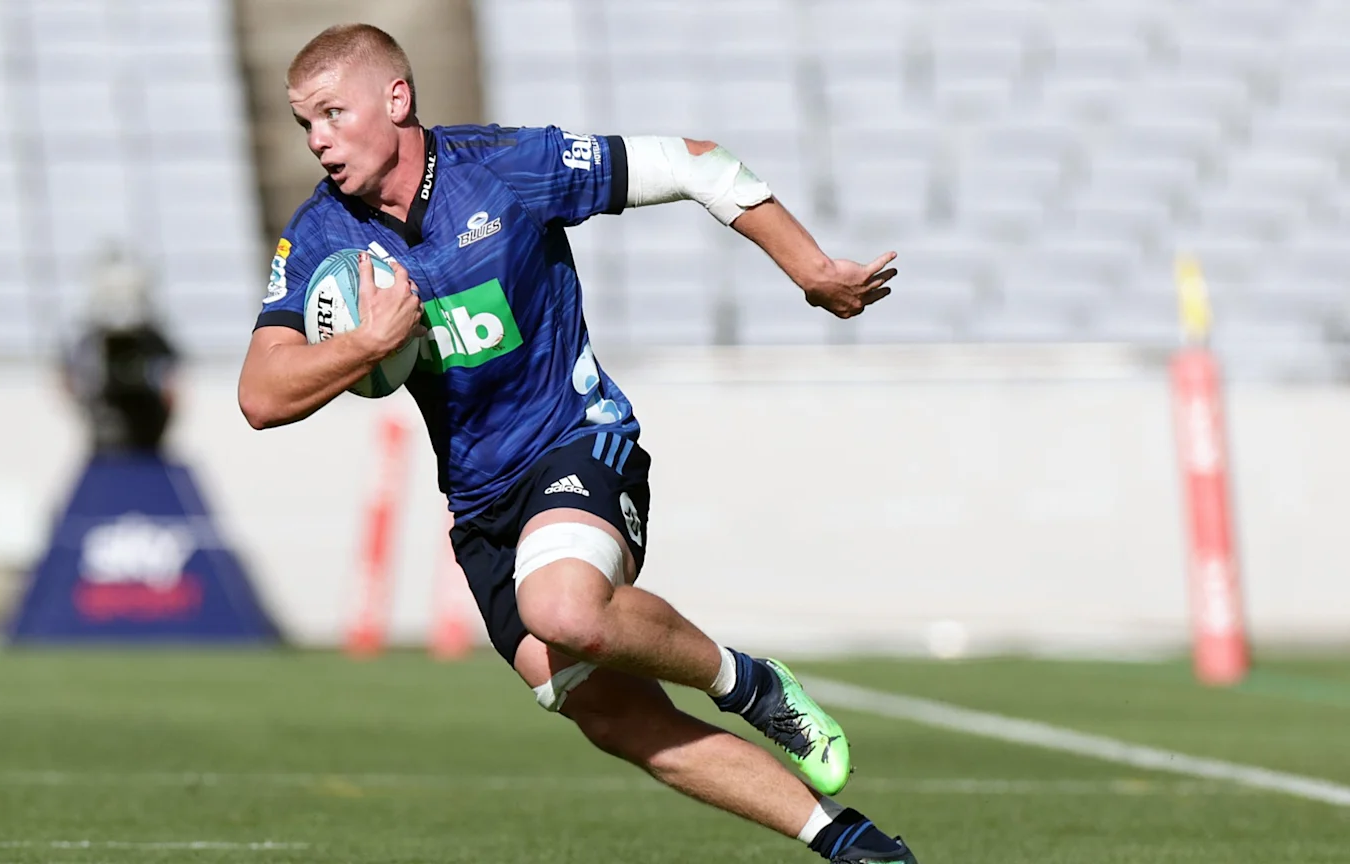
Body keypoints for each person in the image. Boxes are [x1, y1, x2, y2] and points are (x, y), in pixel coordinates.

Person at [238, 24, 912, 864]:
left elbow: (696, 161)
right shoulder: (320, 237)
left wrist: (810, 268)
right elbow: (261, 397)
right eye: (306, 124)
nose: (319, 142)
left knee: (560, 608)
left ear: (397, 99)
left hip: (577, 441)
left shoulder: (507, 167)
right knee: (615, 716)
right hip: (482, 506)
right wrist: (363, 346)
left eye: (334, 115)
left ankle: (750, 683)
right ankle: (852, 844)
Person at [64, 244, 179, 456]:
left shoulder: (153, 341)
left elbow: (172, 381)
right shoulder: (89, 343)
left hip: (148, 437)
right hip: (103, 441)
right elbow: (68, 378)